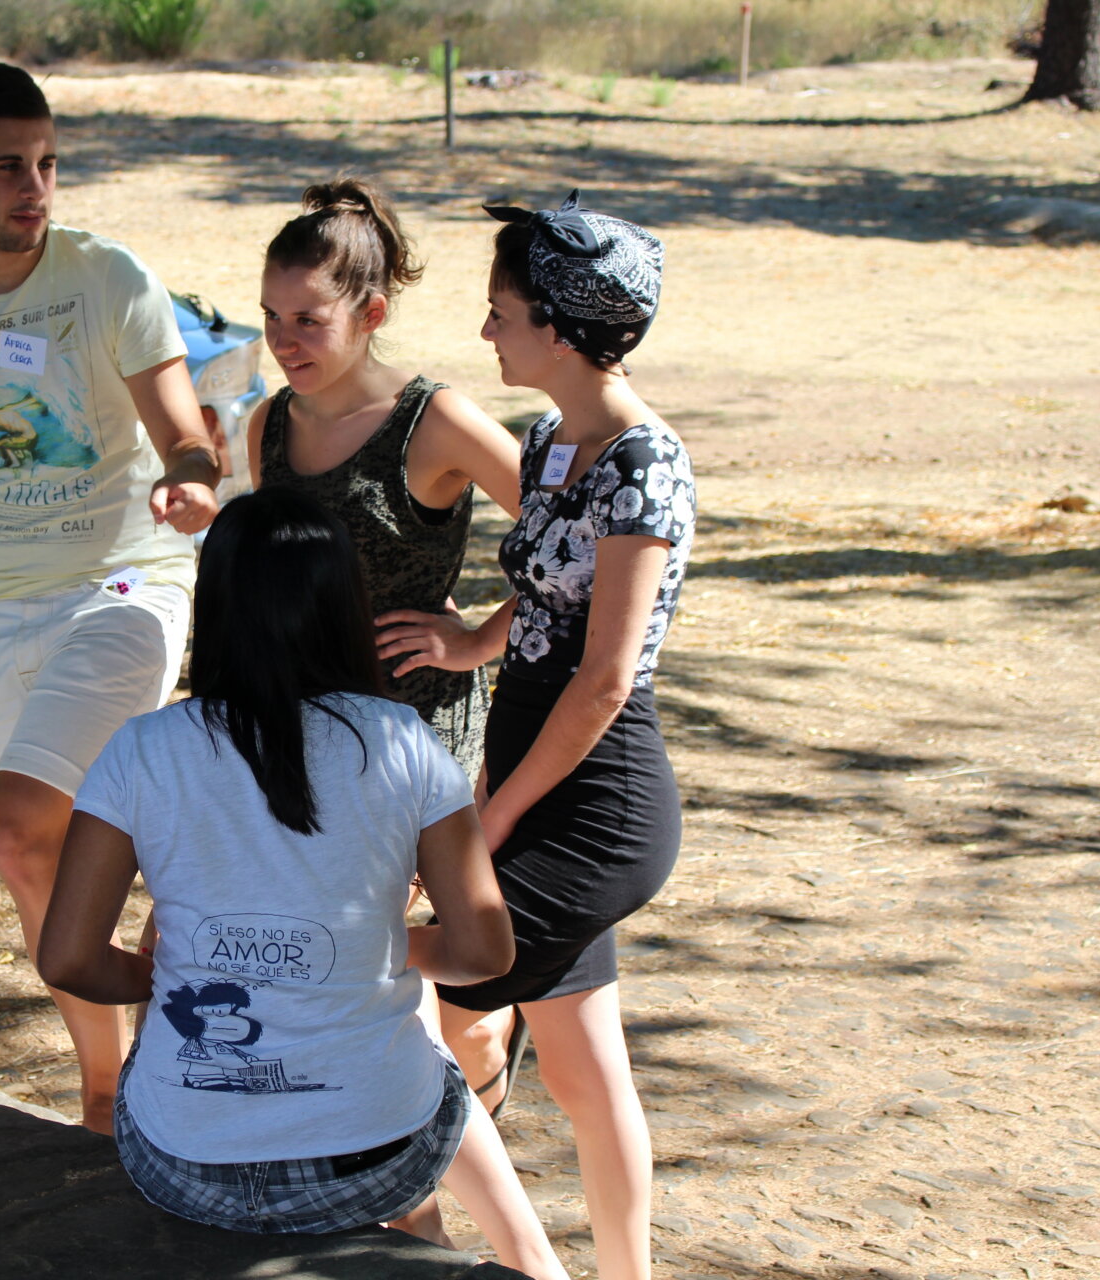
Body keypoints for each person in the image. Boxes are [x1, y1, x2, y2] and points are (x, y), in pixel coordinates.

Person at [38, 489, 568, 1279]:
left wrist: (175, 973)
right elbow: (485, 952)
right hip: (376, 1161)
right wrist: (377, 948)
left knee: (175, 949)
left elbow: (68, 959)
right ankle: (480, 1252)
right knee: (417, 1038)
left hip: (184, 1163)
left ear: (216, 604)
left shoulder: (141, 749)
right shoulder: (402, 740)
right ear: (345, 606)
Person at [0, 63, 221, 1134]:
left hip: (126, 581)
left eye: (49, 165)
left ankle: (140, 1070)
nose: (35, 188)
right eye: (9, 167)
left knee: (14, 830)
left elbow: (182, 425)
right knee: (44, 859)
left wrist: (192, 473)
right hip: (0, 605)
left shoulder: (106, 277)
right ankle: (109, 1090)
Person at [383, 192, 695, 1280]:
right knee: (582, 1067)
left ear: (560, 329)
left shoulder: (644, 462)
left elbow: (605, 678)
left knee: (408, 999)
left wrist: (490, 818)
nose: (487, 331)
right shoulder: (552, 439)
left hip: (598, 807)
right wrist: (475, 639)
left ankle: (507, 1260)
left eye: (503, 312)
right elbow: (554, 589)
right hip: (530, 774)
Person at [249, 177, 521, 789]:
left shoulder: (435, 420)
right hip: (299, 728)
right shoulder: (269, 423)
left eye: (308, 320)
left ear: (371, 314)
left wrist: (479, 642)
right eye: (271, 315)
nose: (282, 342)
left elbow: (578, 548)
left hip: (414, 741)